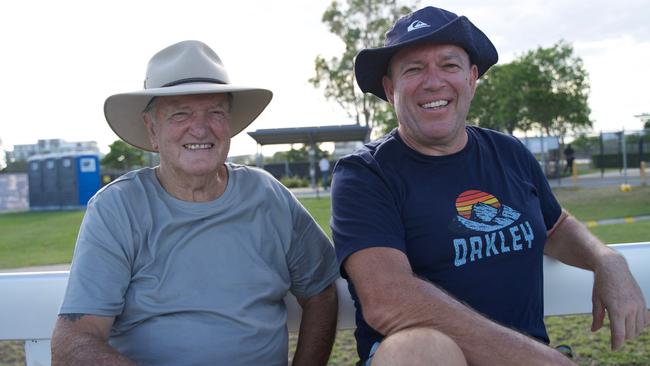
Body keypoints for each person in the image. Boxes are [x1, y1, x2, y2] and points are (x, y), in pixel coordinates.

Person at [330, 6, 648, 366]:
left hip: (529, 356)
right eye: (414, 69)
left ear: (472, 78)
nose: (433, 81)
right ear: (390, 89)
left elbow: (556, 226)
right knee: (417, 349)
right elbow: (388, 300)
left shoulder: (508, 152)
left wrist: (606, 259)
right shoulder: (365, 173)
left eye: (449, 65)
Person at [51, 40, 339, 366]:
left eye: (215, 112)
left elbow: (321, 291)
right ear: (152, 130)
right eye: (180, 114)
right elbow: (74, 340)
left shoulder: (268, 196)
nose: (200, 127)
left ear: (228, 123)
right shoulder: (117, 209)